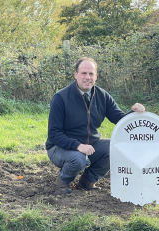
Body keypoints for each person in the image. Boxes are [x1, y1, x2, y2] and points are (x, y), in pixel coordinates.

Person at [45, 57, 145, 194]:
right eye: (83, 73)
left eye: (91, 74)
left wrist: (134, 113)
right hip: (60, 148)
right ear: (76, 75)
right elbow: (54, 134)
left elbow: (120, 120)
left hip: (91, 144)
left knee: (116, 148)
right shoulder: (61, 98)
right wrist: (78, 146)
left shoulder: (103, 96)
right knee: (78, 158)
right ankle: (64, 182)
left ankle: (86, 182)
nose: (88, 77)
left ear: (96, 76)